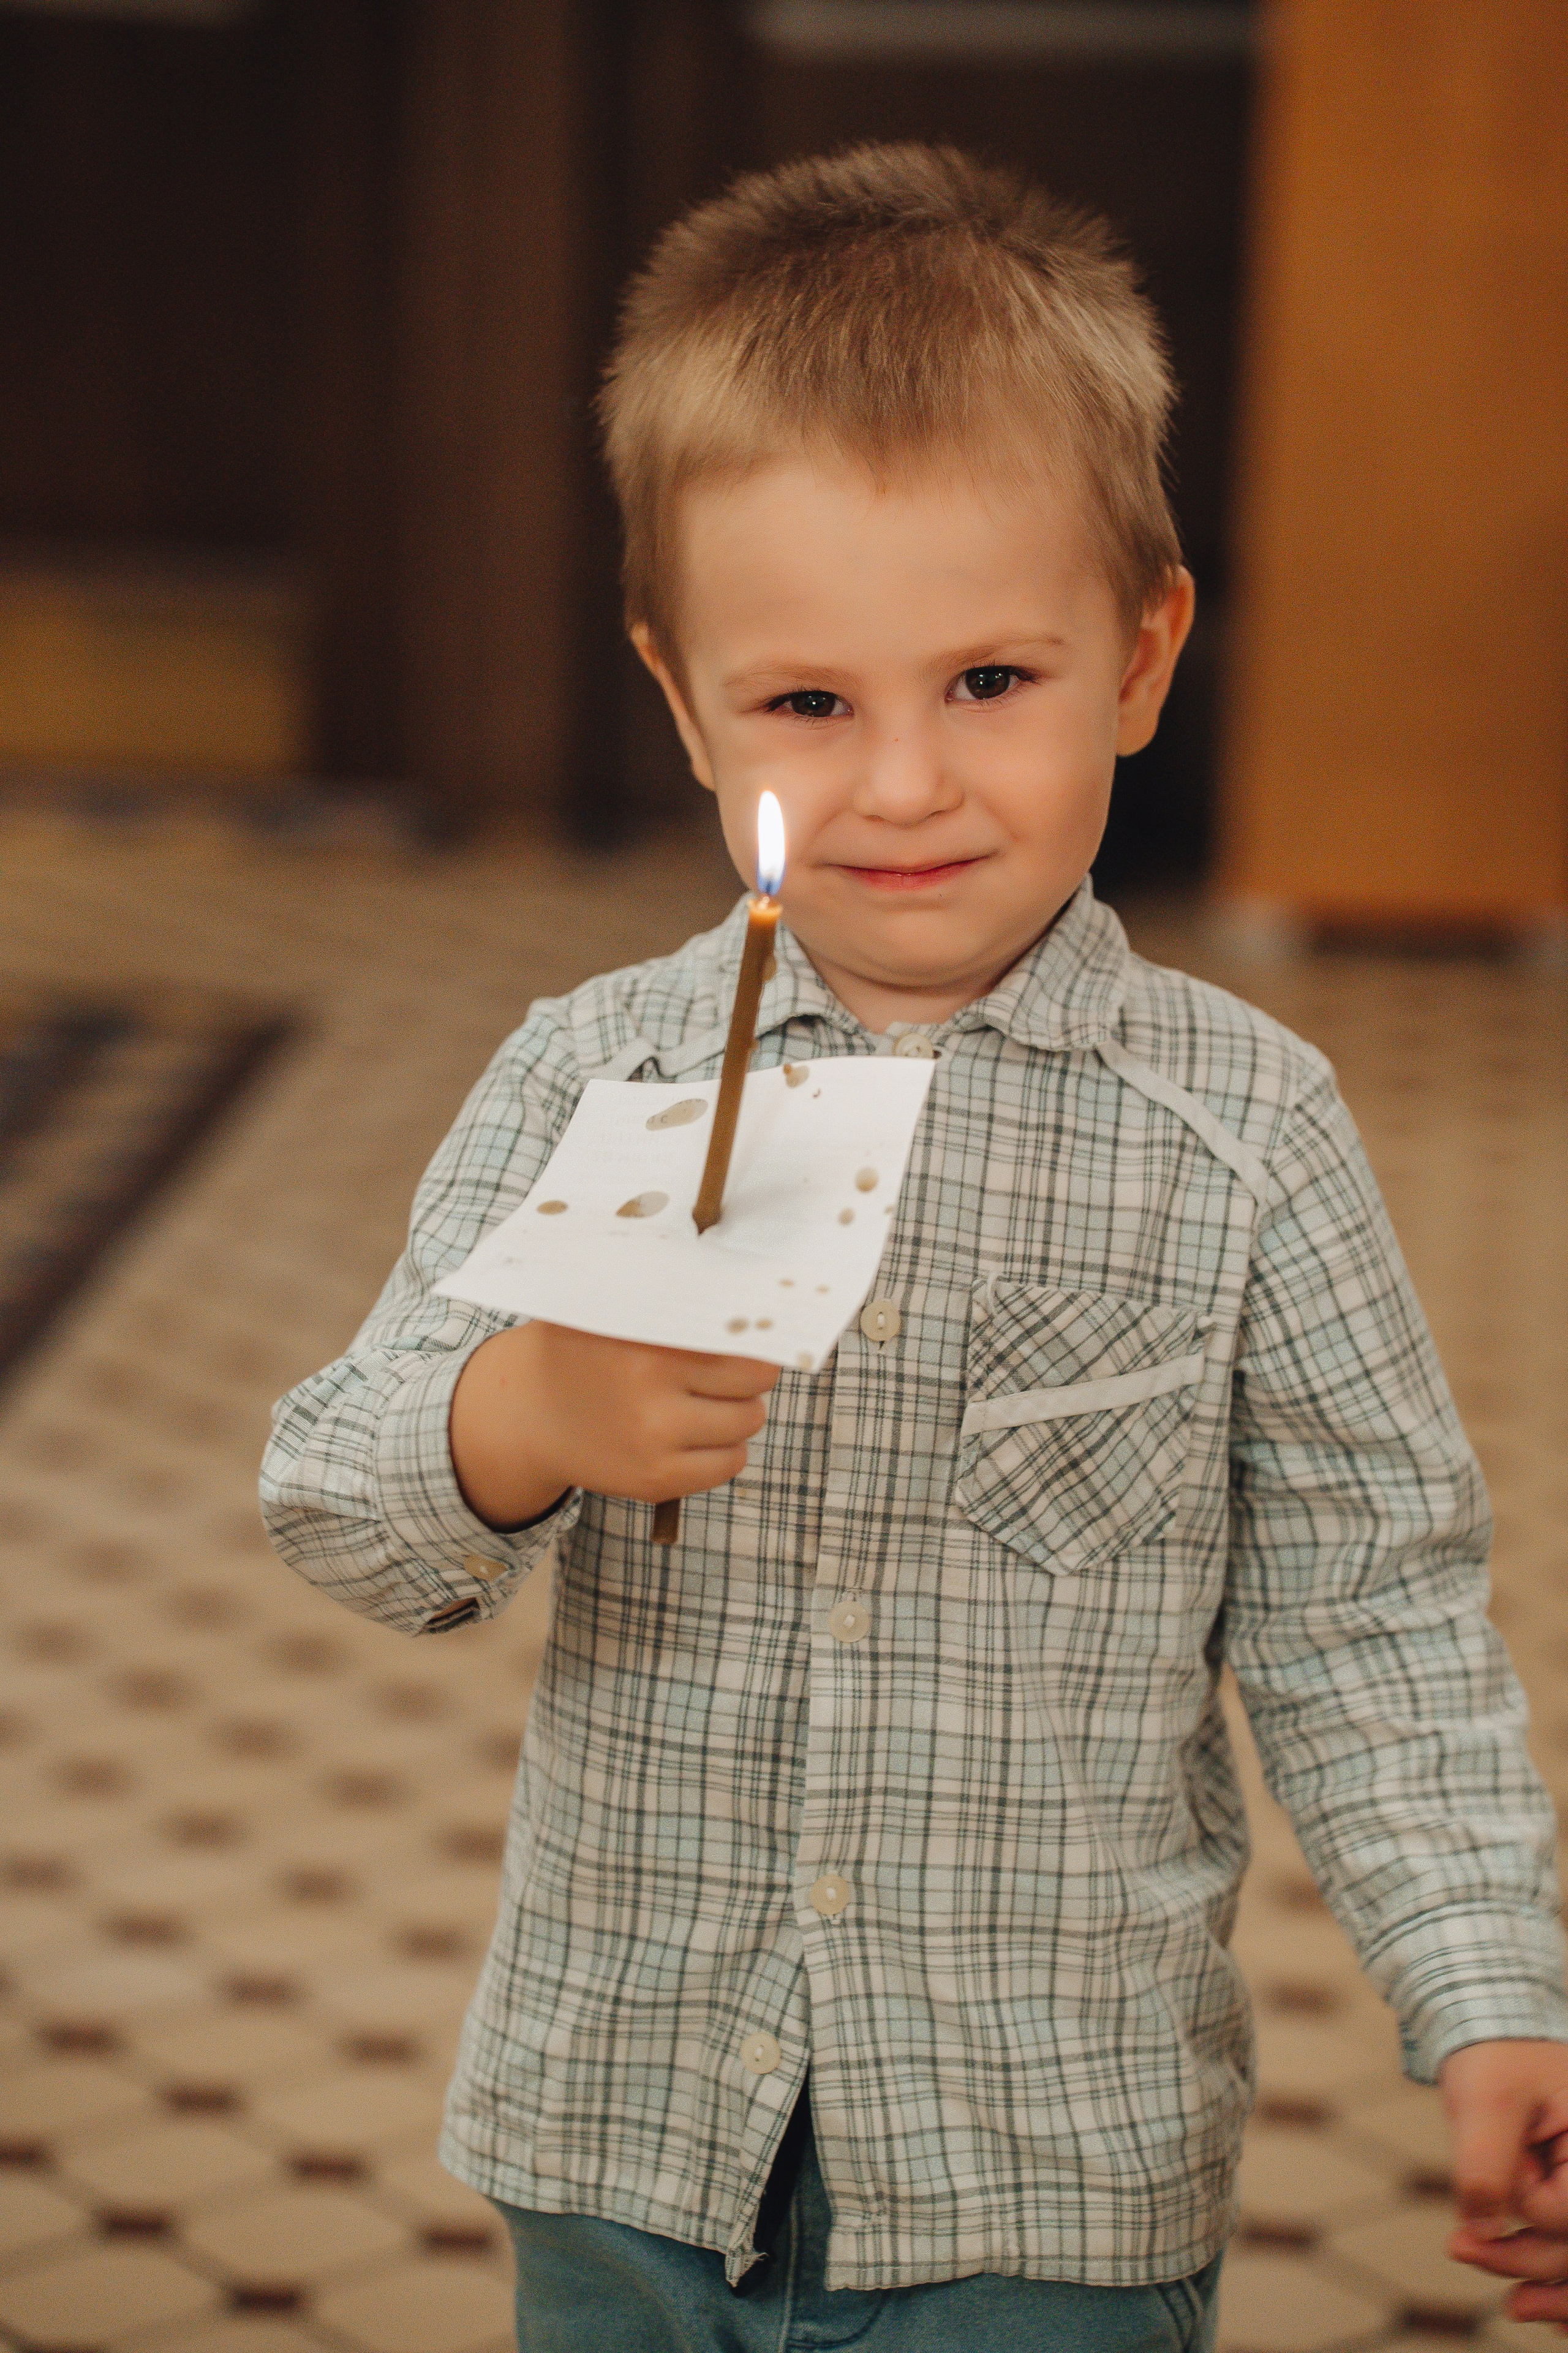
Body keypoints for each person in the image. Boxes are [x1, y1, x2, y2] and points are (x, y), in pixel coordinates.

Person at [261, 145, 1568, 2348]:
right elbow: (339, 1489)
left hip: (1039, 2167)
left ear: (1144, 658)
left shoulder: (1247, 1130)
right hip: (625, 2129)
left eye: (988, 680)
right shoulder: (602, 1073)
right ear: (683, 703)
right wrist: (525, 1409)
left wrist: (1493, 1993)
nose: (899, 788)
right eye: (805, 706)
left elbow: (1373, 1615)